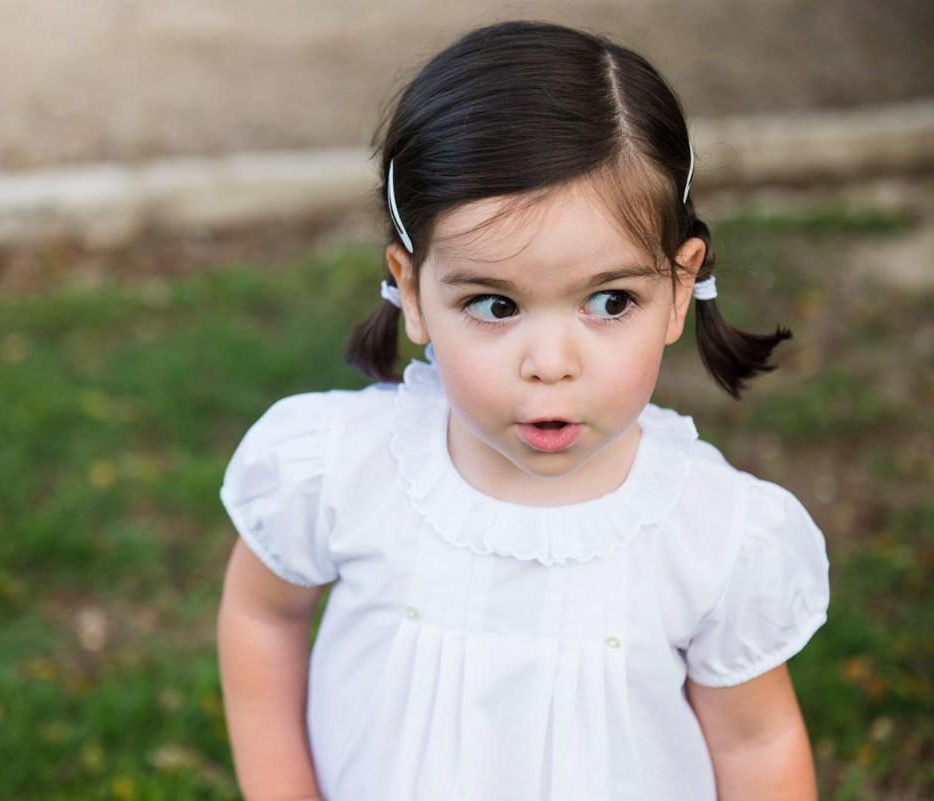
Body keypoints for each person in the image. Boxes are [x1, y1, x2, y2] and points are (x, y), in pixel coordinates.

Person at [217, 20, 829, 801]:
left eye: (610, 301)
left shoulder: (710, 534)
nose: (550, 362)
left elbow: (758, 742)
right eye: (495, 304)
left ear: (679, 288)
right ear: (411, 290)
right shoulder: (340, 469)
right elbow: (262, 617)